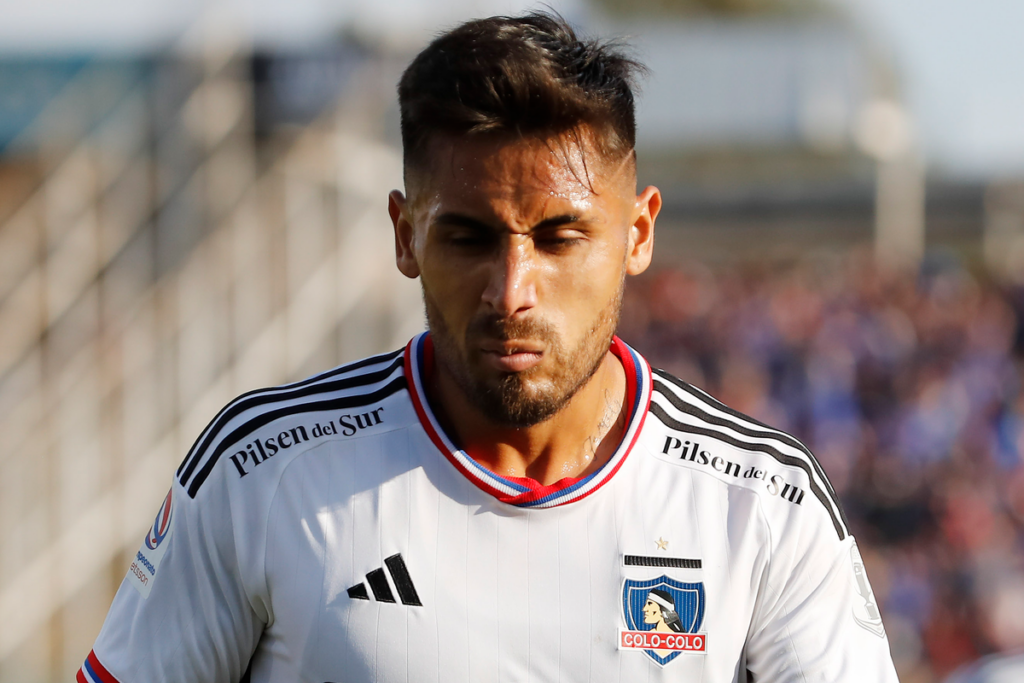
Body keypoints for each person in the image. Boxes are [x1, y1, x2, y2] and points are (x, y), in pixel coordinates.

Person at [78, 12, 899, 683]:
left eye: (560, 236)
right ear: (405, 236)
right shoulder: (263, 468)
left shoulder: (760, 503)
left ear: (638, 232)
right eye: (469, 238)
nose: (512, 291)